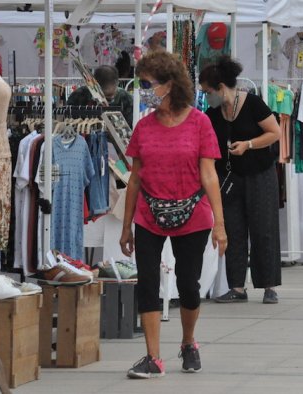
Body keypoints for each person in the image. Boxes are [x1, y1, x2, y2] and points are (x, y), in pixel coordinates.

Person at [119, 50, 227, 379]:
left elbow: (209, 175)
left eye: (148, 83)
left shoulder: (200, 122)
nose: (144, 90)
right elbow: (135, 177)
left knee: (189, 285)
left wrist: (219, 225)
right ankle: (153, 357)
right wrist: (126, 227)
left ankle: (188, 342)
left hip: (193, 212)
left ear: (169, 85)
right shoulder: (144, 126)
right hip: (149, 213)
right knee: (148, 283)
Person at [198, 57, 283, 304]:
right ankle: (236, 286)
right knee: (232, 229)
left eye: (208, 91)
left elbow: (275, 132)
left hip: (259, 174)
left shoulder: (253, 103)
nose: (206, 96)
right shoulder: (213, 114)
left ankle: (269, 285)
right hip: (229, 177)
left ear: (222, 87)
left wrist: (249, 144)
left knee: (263, 228)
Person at [67, 65, 134, 127]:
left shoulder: (126, 99)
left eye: (110, 96)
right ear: (94, 86)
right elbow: (67, 122)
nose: (106, 100)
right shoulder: (78, 96)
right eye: (103, 96)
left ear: (117, 83)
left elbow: (128, 127)